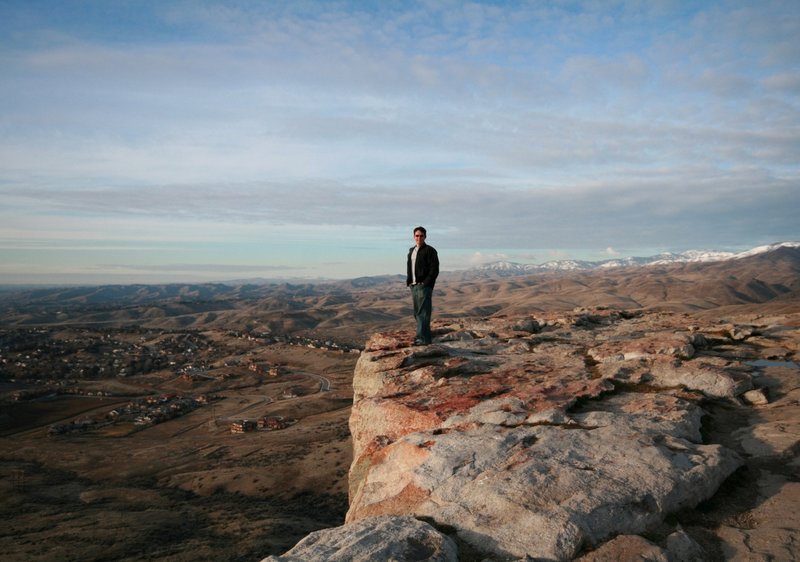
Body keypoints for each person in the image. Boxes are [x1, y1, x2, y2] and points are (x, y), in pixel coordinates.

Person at [406, 226, 439, 345]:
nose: (418, 238)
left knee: (423, 313)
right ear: (413, 237)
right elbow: (410, 267)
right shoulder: (411, 251)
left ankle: (423, 339)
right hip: (414, 286)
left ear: (425, 237)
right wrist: (409, 282)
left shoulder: (430, 250)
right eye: (416, 235)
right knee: (417, 313)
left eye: (421, 236)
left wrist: (426, 283)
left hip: (423, 286)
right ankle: (422, 337)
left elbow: (434, 270)